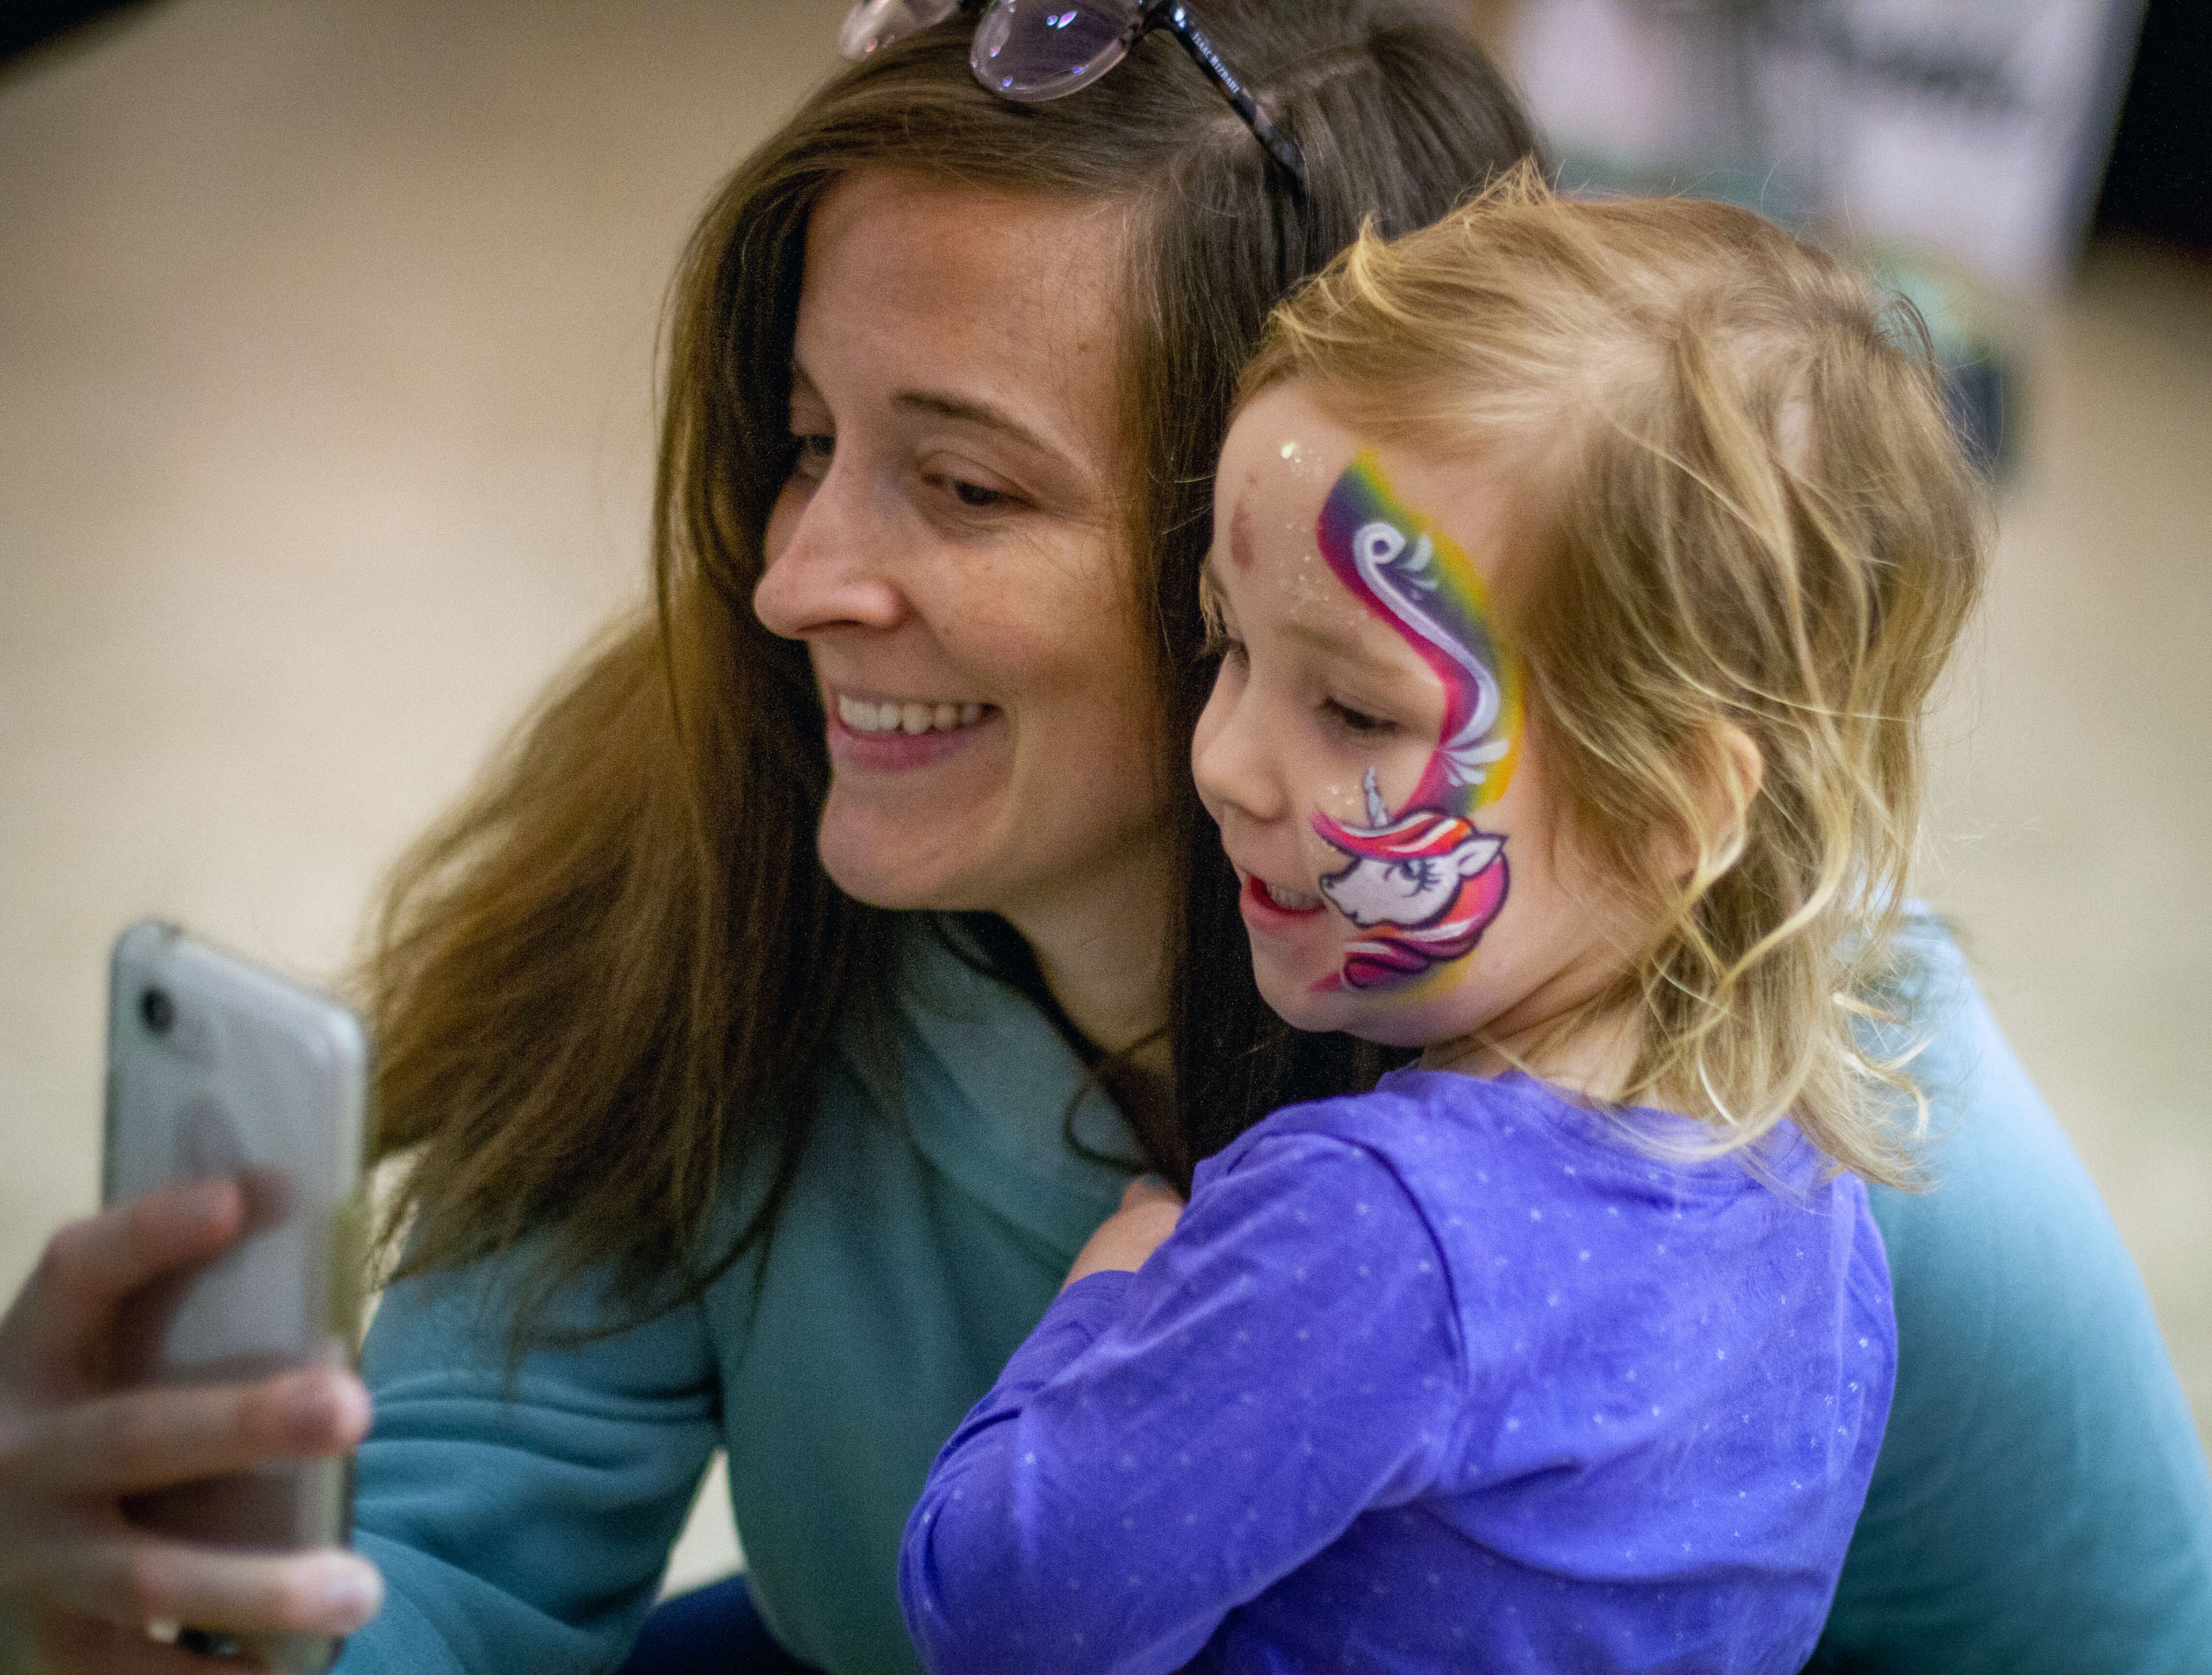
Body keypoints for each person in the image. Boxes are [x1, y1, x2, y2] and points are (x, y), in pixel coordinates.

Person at [0, 5, 2206, 1674]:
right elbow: (457, 1572)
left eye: (963, 486)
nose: (793, 583)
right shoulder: (729, 835)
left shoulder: (1801, 1095)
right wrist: (180, 1617)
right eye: (801, 442)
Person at [899, 174, 1959, 1673]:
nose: (1222, 757)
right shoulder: (1815, 1212)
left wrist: (1119, 1284)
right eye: (1227, 643)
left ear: (1675, 809)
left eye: (1353, 706)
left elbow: (1000, 1606)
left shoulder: (1374, 1235)